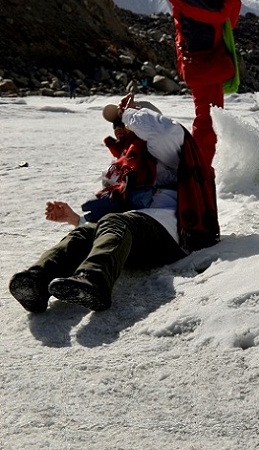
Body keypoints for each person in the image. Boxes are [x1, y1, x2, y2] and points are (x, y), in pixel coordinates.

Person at [8, 96, 219, 313]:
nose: (118, 128)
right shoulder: (121, 168)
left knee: (115, 221)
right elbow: (111, 226)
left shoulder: (167, 151)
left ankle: (93, 281)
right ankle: (36, 281)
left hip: (171, 235)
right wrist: (76, 220)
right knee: (84, 234)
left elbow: (163, 131)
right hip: (133, 236)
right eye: (115, 124)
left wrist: (128, 113)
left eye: (122, 122)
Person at [165, 0, 244, 170]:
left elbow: (228, 22)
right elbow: (218, 16)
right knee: (206, 122)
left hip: (206, 64)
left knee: (209, 120)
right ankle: (199, 171)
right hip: (202, 64)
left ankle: (201, 169)